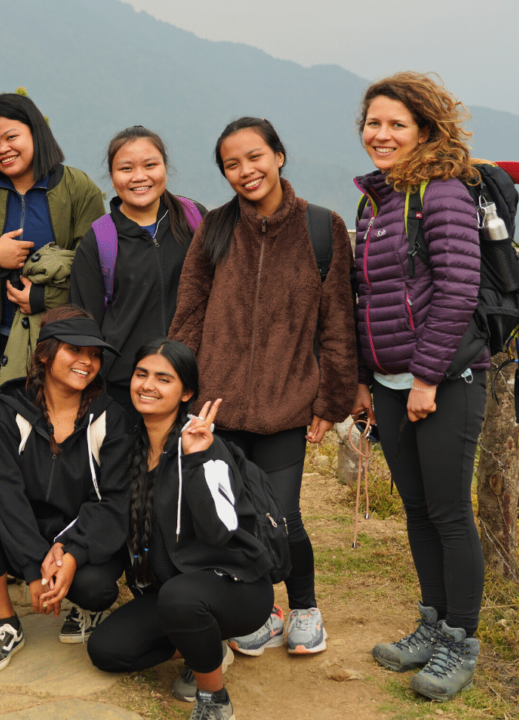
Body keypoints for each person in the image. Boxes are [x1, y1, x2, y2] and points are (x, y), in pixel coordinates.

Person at [170, 117, 357, 657]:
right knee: (229, 519)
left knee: (283, 516)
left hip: (285, 403)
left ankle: (304, 608)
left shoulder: (322, 228)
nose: (245, 170)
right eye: (232, 163)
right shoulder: (216, 228)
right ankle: (257, 610)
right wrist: (184, 389)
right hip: (216, 405)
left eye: (254, 156)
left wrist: (332, 399)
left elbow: (337, 323)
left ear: (278, 155)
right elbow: (189, 312)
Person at [352, 72, 489, 702]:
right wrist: (365, 379)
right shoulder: (376, 201)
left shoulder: (443, 193)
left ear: (425, 130)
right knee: (416, 510)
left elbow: (458, 290)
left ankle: (461, 639)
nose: (380, 135)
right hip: (389, 383)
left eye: (395, 125)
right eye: (373, 123)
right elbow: (370, 299)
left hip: (444, 381)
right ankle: (431, 624)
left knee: (450, 513)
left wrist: (428, 377)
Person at [86, 339, 274, 720]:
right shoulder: (126, 447)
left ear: (186, 392)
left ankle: (214, 699)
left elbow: (222, 530)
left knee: (180, 597)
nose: (148, 385)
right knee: (106, 650)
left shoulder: (208, 446)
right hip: (172, 593)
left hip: (235, 587)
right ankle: (201, 647)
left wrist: (195, 461)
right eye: (141, 374)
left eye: (163, 378)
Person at [0, 306, 130, 673]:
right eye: (75, 350)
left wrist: (71, 551)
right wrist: (35, 565)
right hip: (28, 527)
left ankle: (84, 611)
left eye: (94, 354)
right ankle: (7, 623)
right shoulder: (10, 411)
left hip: (81, 531)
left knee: (97, 588)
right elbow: (3, 492)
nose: (87, 362)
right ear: (45, 354)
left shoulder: (109, 417)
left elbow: (114, 502)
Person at [0, 94, 105, 405]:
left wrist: (44, 298)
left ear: (35, 133)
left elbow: (97, 270)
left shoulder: (78, 189)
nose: (2, 149)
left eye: (11, 137)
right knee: (5, 434)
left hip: (62, 340)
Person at [70, 126, 205, 415]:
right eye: (126, 168)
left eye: (150, 165)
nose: (139, 176)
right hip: (125, 388)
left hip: (191, 381)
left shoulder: (193, 218)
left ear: (165, 168)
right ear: (112, 176)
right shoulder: (101, 240)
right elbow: (85, 322)